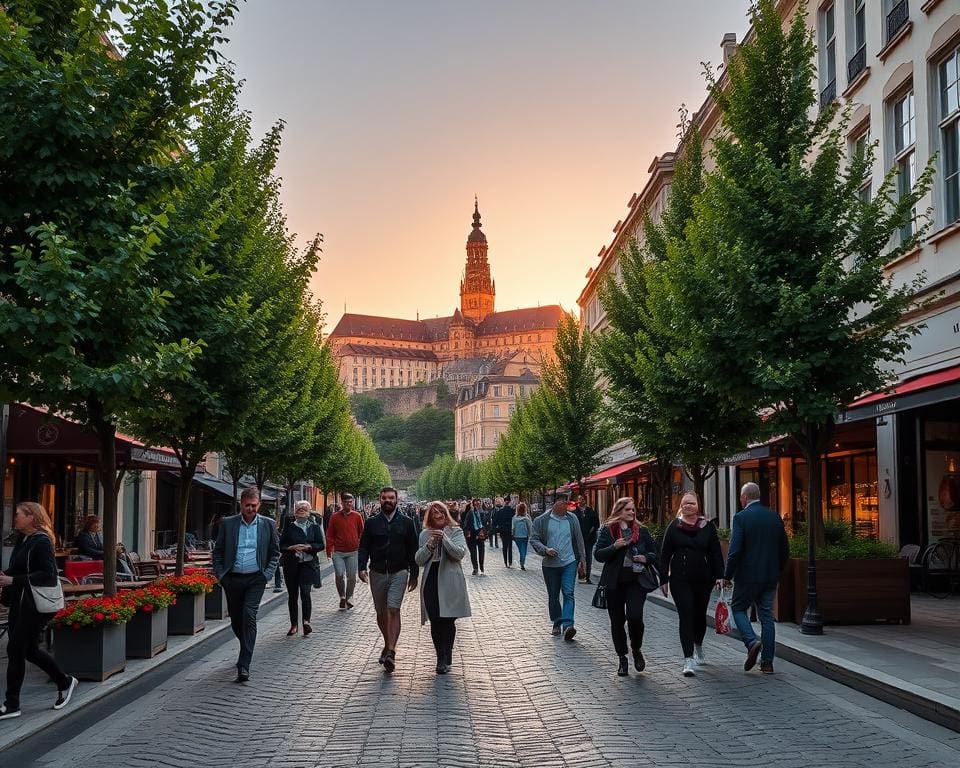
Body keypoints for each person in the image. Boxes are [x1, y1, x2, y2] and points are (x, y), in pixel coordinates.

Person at [0, 503, 78, 719]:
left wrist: (13, 579)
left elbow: (48, 575)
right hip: (20, 602)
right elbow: (17, 569)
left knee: (16, 649)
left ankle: (12, 704)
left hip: (35, 605)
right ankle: (64, 681)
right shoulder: (22, 539)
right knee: (27, 650)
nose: (14, 518)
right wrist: (6, 577)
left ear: (31, 517)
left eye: (18, 515)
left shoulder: (42, 541)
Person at [212, 487, 280, 682]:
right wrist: (220, 575)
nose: (251, 509)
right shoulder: (228, 524)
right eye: (247, 505)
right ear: (241, 505)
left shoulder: (268, 524)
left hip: (255, 579)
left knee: (249, 615)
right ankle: (246, 645)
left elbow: (275, 552)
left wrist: (266, 574)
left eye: (254, 505)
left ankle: (244, 665)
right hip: (232, 578)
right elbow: (218, 551)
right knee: (236, 619)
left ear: (259, 504)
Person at [722, 482, 789, 675]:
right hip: (770, 576)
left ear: (744, 498)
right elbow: (784, 548)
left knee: (738, 608)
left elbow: (735, 550)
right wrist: (778, 570)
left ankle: (751, 642)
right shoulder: (774, 517)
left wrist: (727, 575)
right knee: (766, 616)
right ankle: (767, 663)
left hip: (748, 576)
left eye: (741, 498)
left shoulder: (741, 517)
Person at [660, 491, 725, 677]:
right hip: (680, 579)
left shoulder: (707, 527)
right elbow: (664, 555)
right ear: (681, 506)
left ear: (698, 506)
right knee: (686, 615)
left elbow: (715, 553)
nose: (688, 506)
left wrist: (720, 575)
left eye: (692, 503)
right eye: (685, 503)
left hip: (703, 579)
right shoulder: (674, 527)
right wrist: (663, 579)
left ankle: (698, 644)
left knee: (699, 617)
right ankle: (688, 659)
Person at [594, 497, 659, 676]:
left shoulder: (642, 530)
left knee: (635, 617)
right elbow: (598, 555)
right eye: (628, 509)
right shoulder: (608, 530)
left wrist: (646, 558)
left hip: (636, 582)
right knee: (617, 622)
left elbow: (654, 553)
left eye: (633, 509)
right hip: (614, 583)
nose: (632, 512)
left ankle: (636, 649)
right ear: (619, 511)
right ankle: (622, 657)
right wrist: (614, 546)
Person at [358, 487, 419, 673]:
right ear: (379, 500)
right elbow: (364, 547)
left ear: (397, 500)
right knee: (381, 612)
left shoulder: (407, 522)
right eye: (384, 498)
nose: (387, 501)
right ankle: (387, 643)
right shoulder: (371, 523)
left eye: (391, 498)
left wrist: (414, 574)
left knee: (393, 609)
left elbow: (413, 548)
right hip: (377, 571)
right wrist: (361, 567)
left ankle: (391, 651)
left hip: (399, 571)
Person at [415, 501, 471, 674]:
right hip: (431, 578)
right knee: (436, 619)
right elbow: (418, 560)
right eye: (434, 513)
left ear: (446, 514)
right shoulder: (425, 534)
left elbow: (459, 553)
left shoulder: (456, 531)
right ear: (429, 516)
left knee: (448, 619)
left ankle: (448, 651)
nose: (438, 515)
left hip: (450, 579)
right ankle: (440, 657)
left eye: (441, 512)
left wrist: (444, 539)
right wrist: (430, 544)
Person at [530, 499, 587, 640]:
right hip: (550, 565)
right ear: (554, 505)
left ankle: (568, 625)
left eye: (566, 504)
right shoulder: (541, 520)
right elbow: (534, 539)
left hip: (570, 561)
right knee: (553, 596)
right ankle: (557, 622)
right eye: (562, 504)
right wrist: (545, 549)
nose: (565, 507)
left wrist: (583, 560)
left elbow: (579, 539)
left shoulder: (572, 519)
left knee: (568, 593)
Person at [279, 501, 325, 637]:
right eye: (298, 508)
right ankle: (294, 624)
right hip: (291, 564)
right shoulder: (289, 527)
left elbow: (321, 545)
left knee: (305, 592)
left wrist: (309, 547)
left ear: (309, 512)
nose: (301, 511)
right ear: (294, 512)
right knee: (293, 595)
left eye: (304, 509)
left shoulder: (314, 527)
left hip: (307, 564)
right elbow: (281, 545)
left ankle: (306, 622)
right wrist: (291, 548)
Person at [326, 491, 365, 610]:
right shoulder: (335, 517)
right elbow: (330, 534)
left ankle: (349, 597)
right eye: (346, 502)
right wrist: (329, 549)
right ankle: (342, 596)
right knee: (339, 574)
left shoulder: (357, 516)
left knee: (352, 576)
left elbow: (362, 532)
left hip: (353, 551)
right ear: (342, 503)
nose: (349, 504)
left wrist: (360, 545)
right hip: (338, 551)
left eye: (350, 502)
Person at [574, 496, 600, 584]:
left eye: (583, 499)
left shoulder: (591, 511)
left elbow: (596, 524)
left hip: (589, 539)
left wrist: (591, 531)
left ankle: (587, 577)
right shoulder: (574, 512)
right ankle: (579, 576)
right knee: (578, 557)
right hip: (577, 539)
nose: (581, 501)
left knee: (588, 558)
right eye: (580, 499)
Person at [462, 498, 486, 576]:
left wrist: (485, 531)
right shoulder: (469, 513)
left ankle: (481, 567)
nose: (477, 505)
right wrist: (467, 533)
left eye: (479, 504)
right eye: (476, 504)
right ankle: (475, 568)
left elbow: (485, 522)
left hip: (480, 532)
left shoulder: (482, 512)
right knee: (473, 552)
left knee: (481, 551)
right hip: (472, 534)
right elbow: (465, 524)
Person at [492, 497, 515, 567]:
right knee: (510, 546)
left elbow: (494, 519)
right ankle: (510, 561)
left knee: (504, 546)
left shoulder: (500, 511)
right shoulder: (512, 511)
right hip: (510, 530)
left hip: (502, 530)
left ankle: (505, 562)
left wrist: (497, 526)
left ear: (504, 502)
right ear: (510, 502)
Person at [511, 502, 533, 570]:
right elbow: (530, 527)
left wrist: (513, 535)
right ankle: (522, 563)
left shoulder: (514, 518)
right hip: (524, 536)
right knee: (524, 550)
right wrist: (531, 535)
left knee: (520, 550)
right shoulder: (527, 518)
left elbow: (513, 527)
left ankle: (522, 561)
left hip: (517, 536)